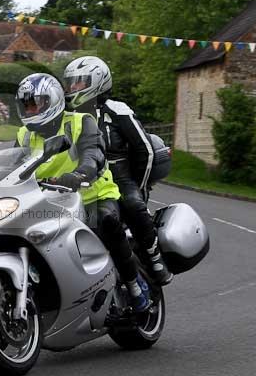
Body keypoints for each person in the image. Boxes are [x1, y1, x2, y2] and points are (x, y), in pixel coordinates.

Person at [14, 73, 151, 313]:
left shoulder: (81, 122)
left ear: (52, 101)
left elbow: (93, 154)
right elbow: (12, 167)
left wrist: (79, 174)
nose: (31, 110)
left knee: (107, 221)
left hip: (92, 195)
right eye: (26, 105)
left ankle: (134, 284)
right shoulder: (24, 135)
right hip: (48, 201)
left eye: (35, 104)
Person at [62, 56, 173, 285]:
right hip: (87, 177)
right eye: (71, 83)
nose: (73, 88)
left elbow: (145, 151)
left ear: (98, 81)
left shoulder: (117, 110)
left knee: (133, 204)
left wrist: (139, 186)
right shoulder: (69, 116)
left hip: (120, 177)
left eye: (79, 82)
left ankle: (154, 257)